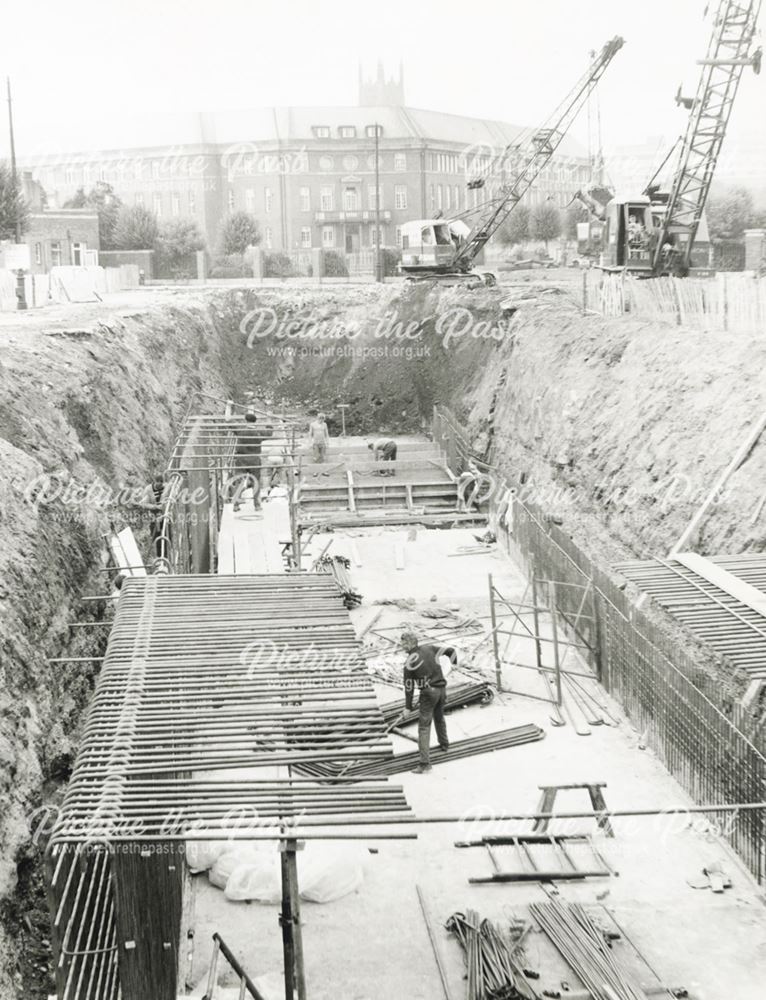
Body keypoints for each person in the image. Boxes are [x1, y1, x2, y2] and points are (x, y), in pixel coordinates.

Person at [398, 630, 457, 774]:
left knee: (424, 727)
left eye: (403, 643)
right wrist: (454, 663)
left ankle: (425, 764)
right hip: (442, 690)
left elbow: (409, 687)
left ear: (410, 643)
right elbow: (451, 651)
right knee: (439, 717)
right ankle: (444, 744)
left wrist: (407, 707)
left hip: (428, 693)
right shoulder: (430, 648)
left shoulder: (409, 662)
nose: (401, 645)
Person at [232, 408, 272, 512]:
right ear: (255, 422)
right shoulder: (259, 432)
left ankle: (236, 505)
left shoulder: (240, 430)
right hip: (254, 459)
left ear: (246, 421)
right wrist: (268, 418)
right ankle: (257, 506)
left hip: (241, 459)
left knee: (239, 482)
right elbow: (270, 431)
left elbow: (227, 420)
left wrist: (228, 406)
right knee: (256, 482)